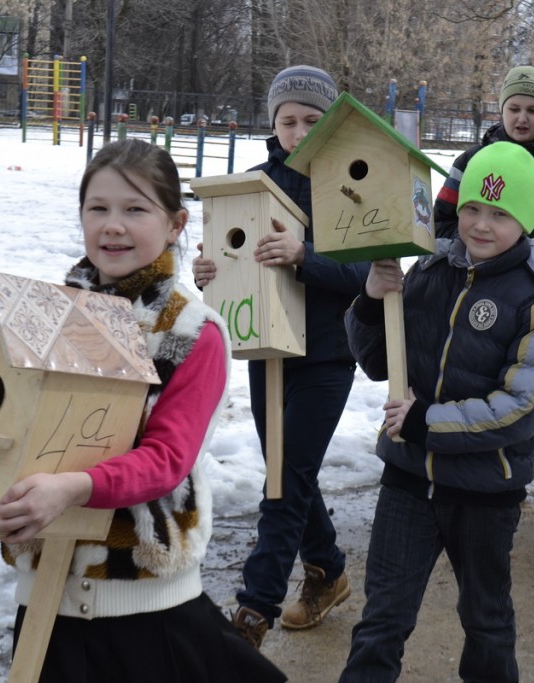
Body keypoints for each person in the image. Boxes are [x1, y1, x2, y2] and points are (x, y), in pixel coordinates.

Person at [0, 139, 286, 682]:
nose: (113, 226)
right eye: (98, 208)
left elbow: (166, 459)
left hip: (144, 613)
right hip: (44, 608)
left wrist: (73, 488)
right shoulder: (45, 315)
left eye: (136, 209)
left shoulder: (190, 330)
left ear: (175, 224)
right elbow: (21, 436)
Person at [339, 141, 534, 683]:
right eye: (472, 208)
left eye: (500, 214)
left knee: (486, 622)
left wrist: (425, 422)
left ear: (525, 220)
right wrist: (372, 300)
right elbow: (378, 362)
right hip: (408, 479)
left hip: (485, 490)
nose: (481, 225)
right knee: (381, 621)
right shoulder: (430, 267)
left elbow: (519, 409)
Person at [192, 65, 368, 647]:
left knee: (286, 480)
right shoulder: (251, 185)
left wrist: (303, 254)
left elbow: (366, 273)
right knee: (288, 473)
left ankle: (254, 610)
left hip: (328, 352)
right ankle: (327, 571)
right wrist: (210, 272)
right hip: (266, 351)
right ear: (272, 123)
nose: (299, 132)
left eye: (312, 120)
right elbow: (230, 260)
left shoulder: (349, 183)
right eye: (287, 121)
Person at [433, 66, 534, 505]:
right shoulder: (472, 162)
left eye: (533, 110)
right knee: (481, 376)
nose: (522, 118)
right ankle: (482, 460)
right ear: (501, 109)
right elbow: (442, 221)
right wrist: (474, 248)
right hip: (476, 288)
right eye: (514, 108)